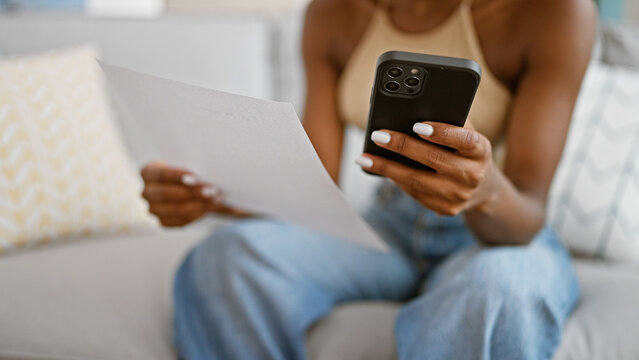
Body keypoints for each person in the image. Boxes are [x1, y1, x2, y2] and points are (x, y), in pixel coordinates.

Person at [140, 0, 595, 358]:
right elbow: (313, 187)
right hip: (387, 227)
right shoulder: (331, 13)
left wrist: (485, 190)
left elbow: (529, 212)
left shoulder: (552, 11)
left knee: (498, 292)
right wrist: (213, 196)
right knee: (226, 259)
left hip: (495, 233)